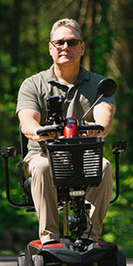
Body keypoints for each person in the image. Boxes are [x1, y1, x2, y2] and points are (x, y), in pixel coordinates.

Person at [16, 18, 115, 245]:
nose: (65, 48)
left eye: (72, 42)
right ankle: (50, 239)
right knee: (42, 166)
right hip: (43, 154)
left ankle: (90, 236)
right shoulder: (33, 84)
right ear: (51, 48)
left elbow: (105, 119)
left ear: (82, 47)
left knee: (105, 166)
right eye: (59, 42)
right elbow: (27, 122)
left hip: (84, 155)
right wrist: (41, 131)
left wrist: (96, 128)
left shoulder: (99, 85)